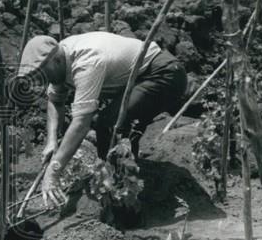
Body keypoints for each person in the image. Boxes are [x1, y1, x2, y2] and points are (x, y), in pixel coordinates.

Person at [15, 32, 187, 205]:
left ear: (56, 61)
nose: (44, 81)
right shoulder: (60, 56)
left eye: (43, 73)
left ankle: (123, 192)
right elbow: (55, 101)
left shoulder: (85, 63)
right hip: (142, 77)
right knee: (110, 125)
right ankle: (121, 179)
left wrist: (53, 172)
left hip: (165, 74)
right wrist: (51, 141)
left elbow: (81, 124)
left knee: (109, 124)